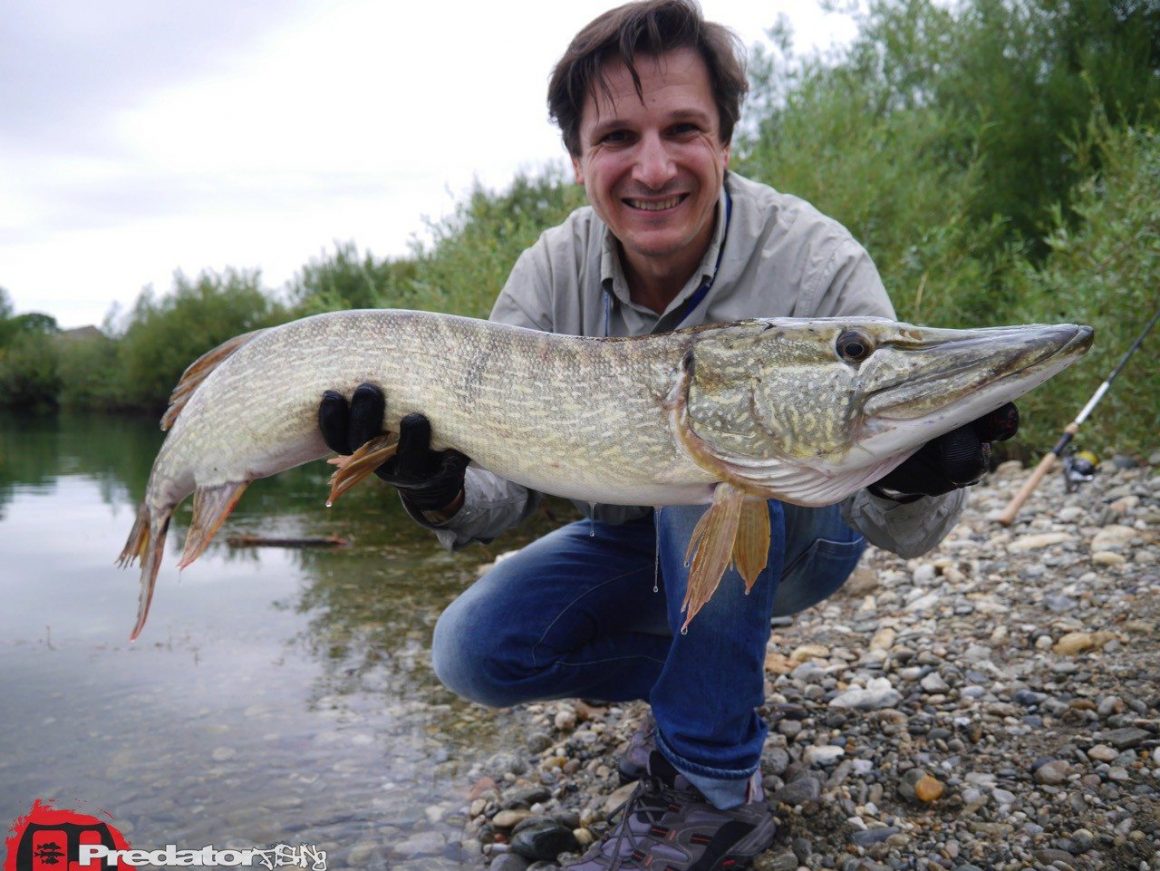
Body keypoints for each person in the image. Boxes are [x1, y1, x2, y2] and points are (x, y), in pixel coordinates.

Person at [317, 1, 1016, 867]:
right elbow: (500, 494)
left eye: (683, 128)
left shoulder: (815, 260)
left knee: (711, 458)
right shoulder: (549, 273)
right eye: (616, 138)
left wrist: (914, 476)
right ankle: (707, 693)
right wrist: (438, 484)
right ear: (578, 160)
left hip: (799, 531)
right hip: (636, 533)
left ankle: (716, 789)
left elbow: (904, 531)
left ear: (724, 142)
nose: (652, 167)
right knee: (474, 649)